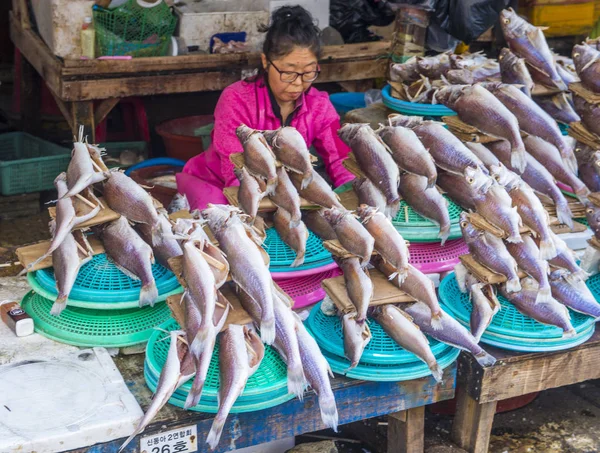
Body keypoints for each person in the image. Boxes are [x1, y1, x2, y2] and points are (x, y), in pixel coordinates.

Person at [177, 5, 355, 210]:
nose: (298, 83)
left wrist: (350, 197)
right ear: (266, 62)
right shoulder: (236, 100)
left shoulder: (319, 106)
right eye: (288, 72)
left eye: (308, 73)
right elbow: (235, 169)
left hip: (277, 189)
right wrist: (258, 210)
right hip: (217, 184)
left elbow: (340, 161)